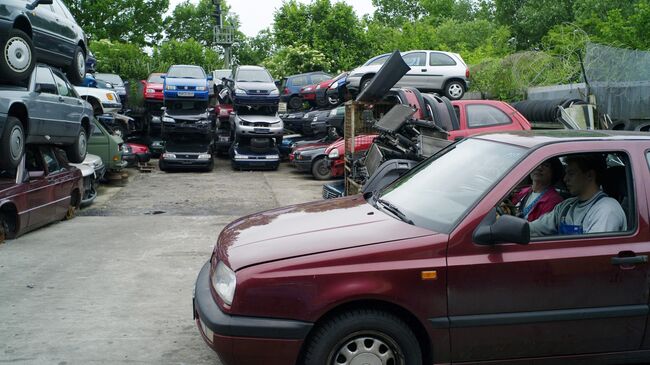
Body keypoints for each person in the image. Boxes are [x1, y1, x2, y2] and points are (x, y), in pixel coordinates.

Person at [530, 154, 626, 236]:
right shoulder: (565, 207)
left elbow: (594, 254)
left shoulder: (606, 210)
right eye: (566, 173)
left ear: (590, 175)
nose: (565, 179)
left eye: (571, 174)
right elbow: (533, 228)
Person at [512, 157, 564, 221]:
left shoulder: (555, 201)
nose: (539, 167)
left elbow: (541, 228)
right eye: (537, 163)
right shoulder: (521, 191)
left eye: (546, 165)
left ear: (553, 172)